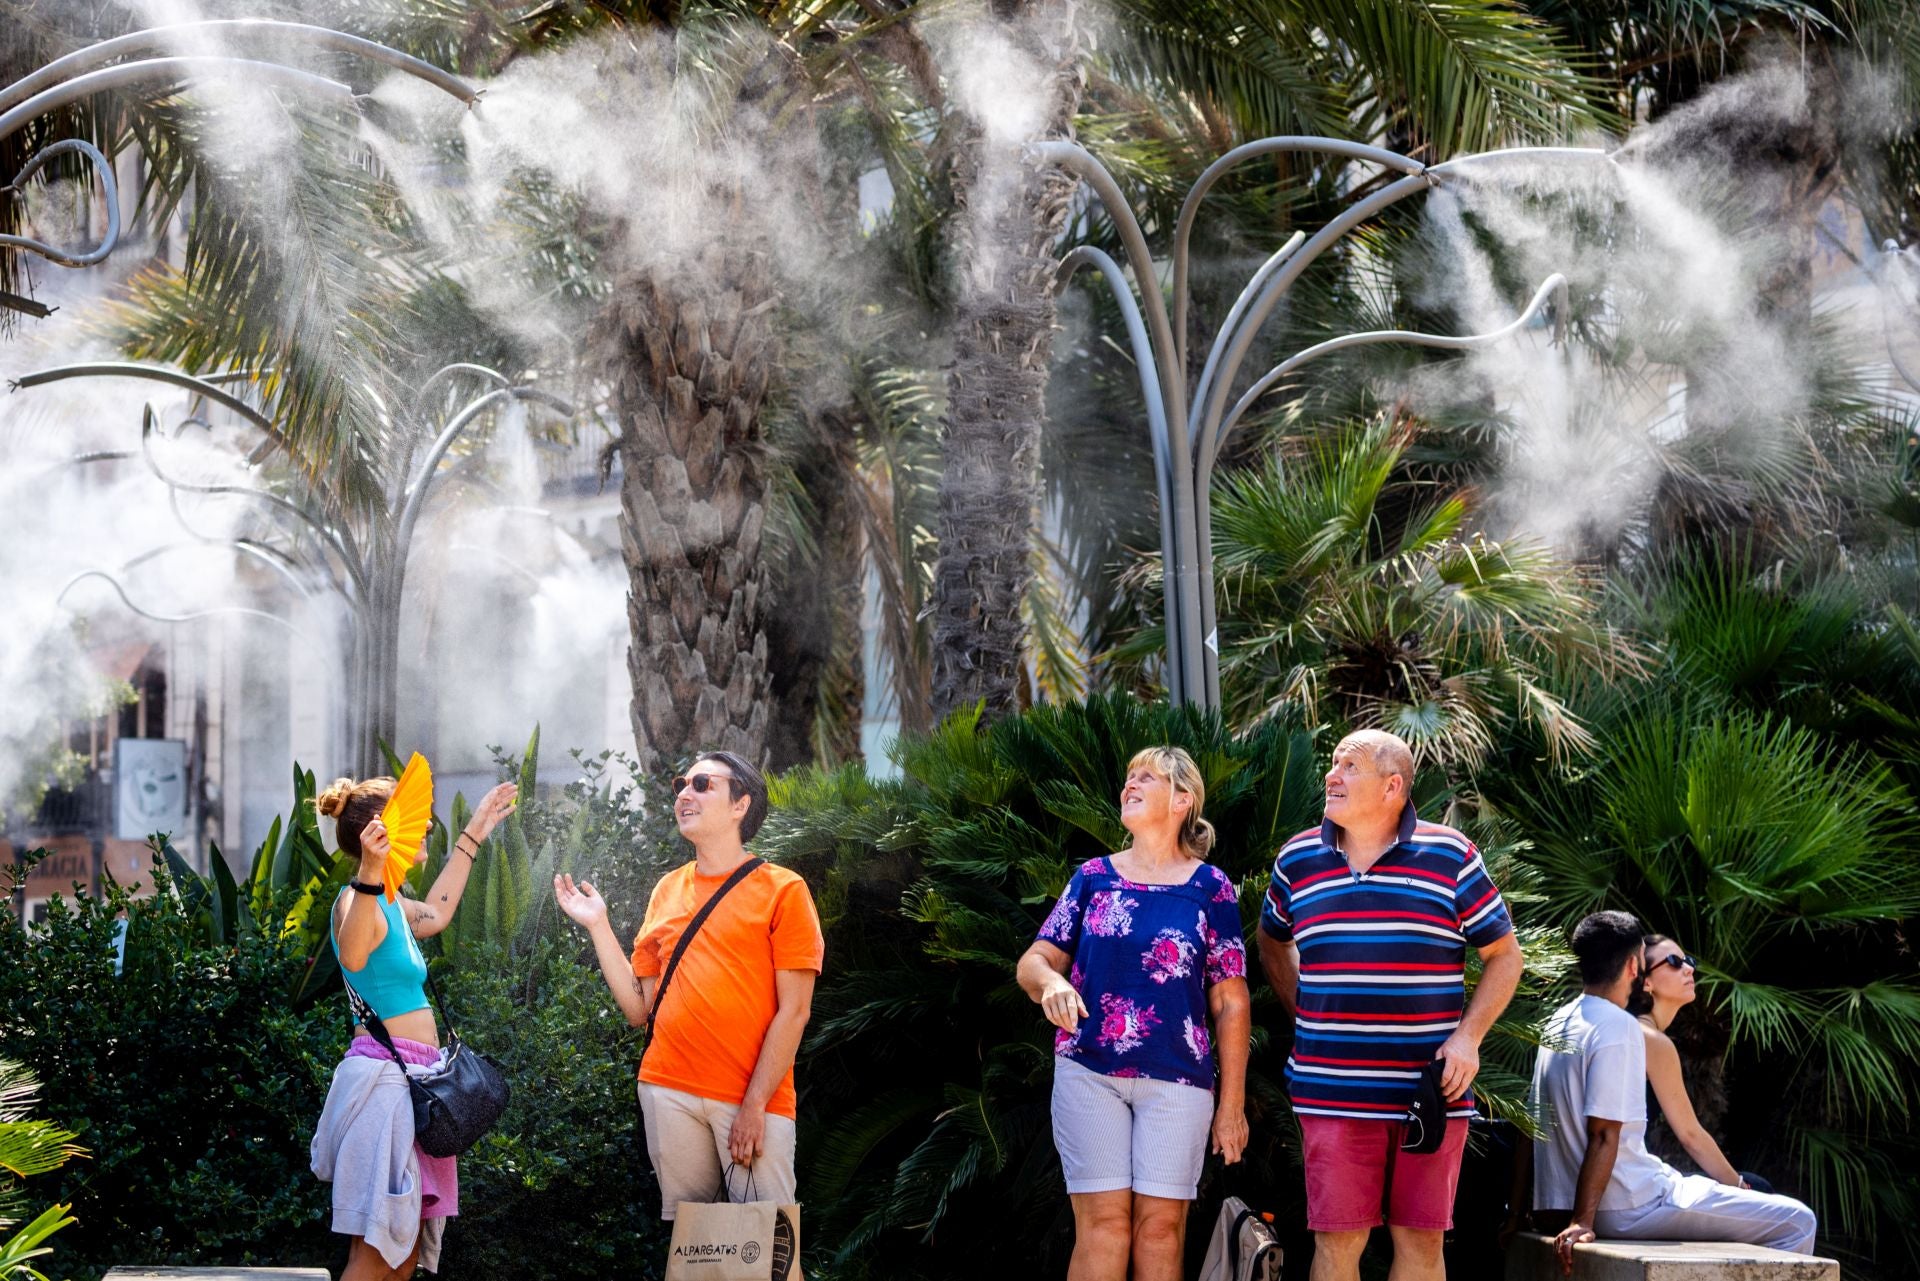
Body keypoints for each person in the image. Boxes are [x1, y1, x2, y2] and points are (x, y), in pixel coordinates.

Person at [1257, 729, 1523, 1281]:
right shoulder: (1297, 859)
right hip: (1331, 1091)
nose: (1331, 775)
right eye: (1332, 764)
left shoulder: (1451, 855)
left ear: (1392, 786)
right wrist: (1304, 1013)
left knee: (1421, 1243)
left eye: (1349, 766)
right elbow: (1271, 940)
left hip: (1430, 1091)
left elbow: (1504, 956)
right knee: (1337, 1242)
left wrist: (1468, 1038)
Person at [554, 750, 823, 1220]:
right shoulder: (667, 889)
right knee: (696, 1246)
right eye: (681, 785)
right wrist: (598, 925)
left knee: (769, 1243)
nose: (684, 794)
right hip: (669, 1089)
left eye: (702, 784)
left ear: (740, 804)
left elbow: (794, 1012)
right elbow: (639, 1009)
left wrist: (754, 1105)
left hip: (751, 1098)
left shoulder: (784, 890)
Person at [1017, 745, 1252, 1281]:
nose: (1130, 785)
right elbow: (1033, 961)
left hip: (1179, 1078)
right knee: (1104, 1227)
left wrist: (1232, 1105)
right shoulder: (1092, 877)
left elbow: (1231, 1000)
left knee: (1160, 1231)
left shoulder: (1210, 888)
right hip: (1088, 1070)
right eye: (1129, 777)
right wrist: (1050, 982)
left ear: (1182, 800)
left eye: (1147, 777)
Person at [309, 771, 520, 1280]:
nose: (425, 828)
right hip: (385, 1083)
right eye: (416, 821)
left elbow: (439, 913)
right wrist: (370, 869)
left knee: (403, 1260)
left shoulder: (393, 903)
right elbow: (353, 955)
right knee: (375, 1254)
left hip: (420, 1086)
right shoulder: (357, 899)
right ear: (381, 831)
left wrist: (473, 834)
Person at [1528, 912, 1816, 1277]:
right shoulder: (1621, 1027)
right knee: (1798, 1221)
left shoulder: (1557, 1021)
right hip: (1627, 1202)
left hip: (1564, 1202)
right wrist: (1582, 1221)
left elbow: (1529, 1127)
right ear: (1635, 968)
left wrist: (1522, 1211)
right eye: (1674, 962)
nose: (1688, 969)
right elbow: (1606, 1133)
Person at [1628, 934, 1773, 1194]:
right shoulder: (1649, 1038)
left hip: (1627, 1178)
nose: (1689, 968)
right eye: (1674, 962)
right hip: (1629, 1185)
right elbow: (1690, 1135)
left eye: (1688, 961)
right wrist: (1741, 1187)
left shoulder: (1639, 1031)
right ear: (1646, 982)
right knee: (1760, 1188)